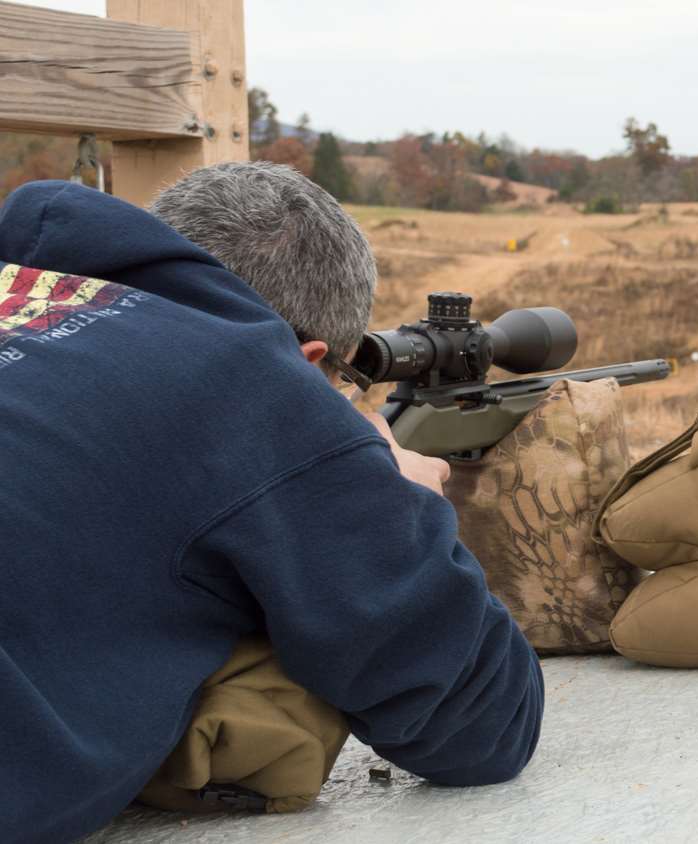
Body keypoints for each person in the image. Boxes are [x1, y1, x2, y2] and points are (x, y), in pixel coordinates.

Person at [0, 164, 544, 843]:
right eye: (341, 381)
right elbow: (484, 724)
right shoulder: (248, 376)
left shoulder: (25, 292)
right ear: (307, 357)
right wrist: (400, 490)